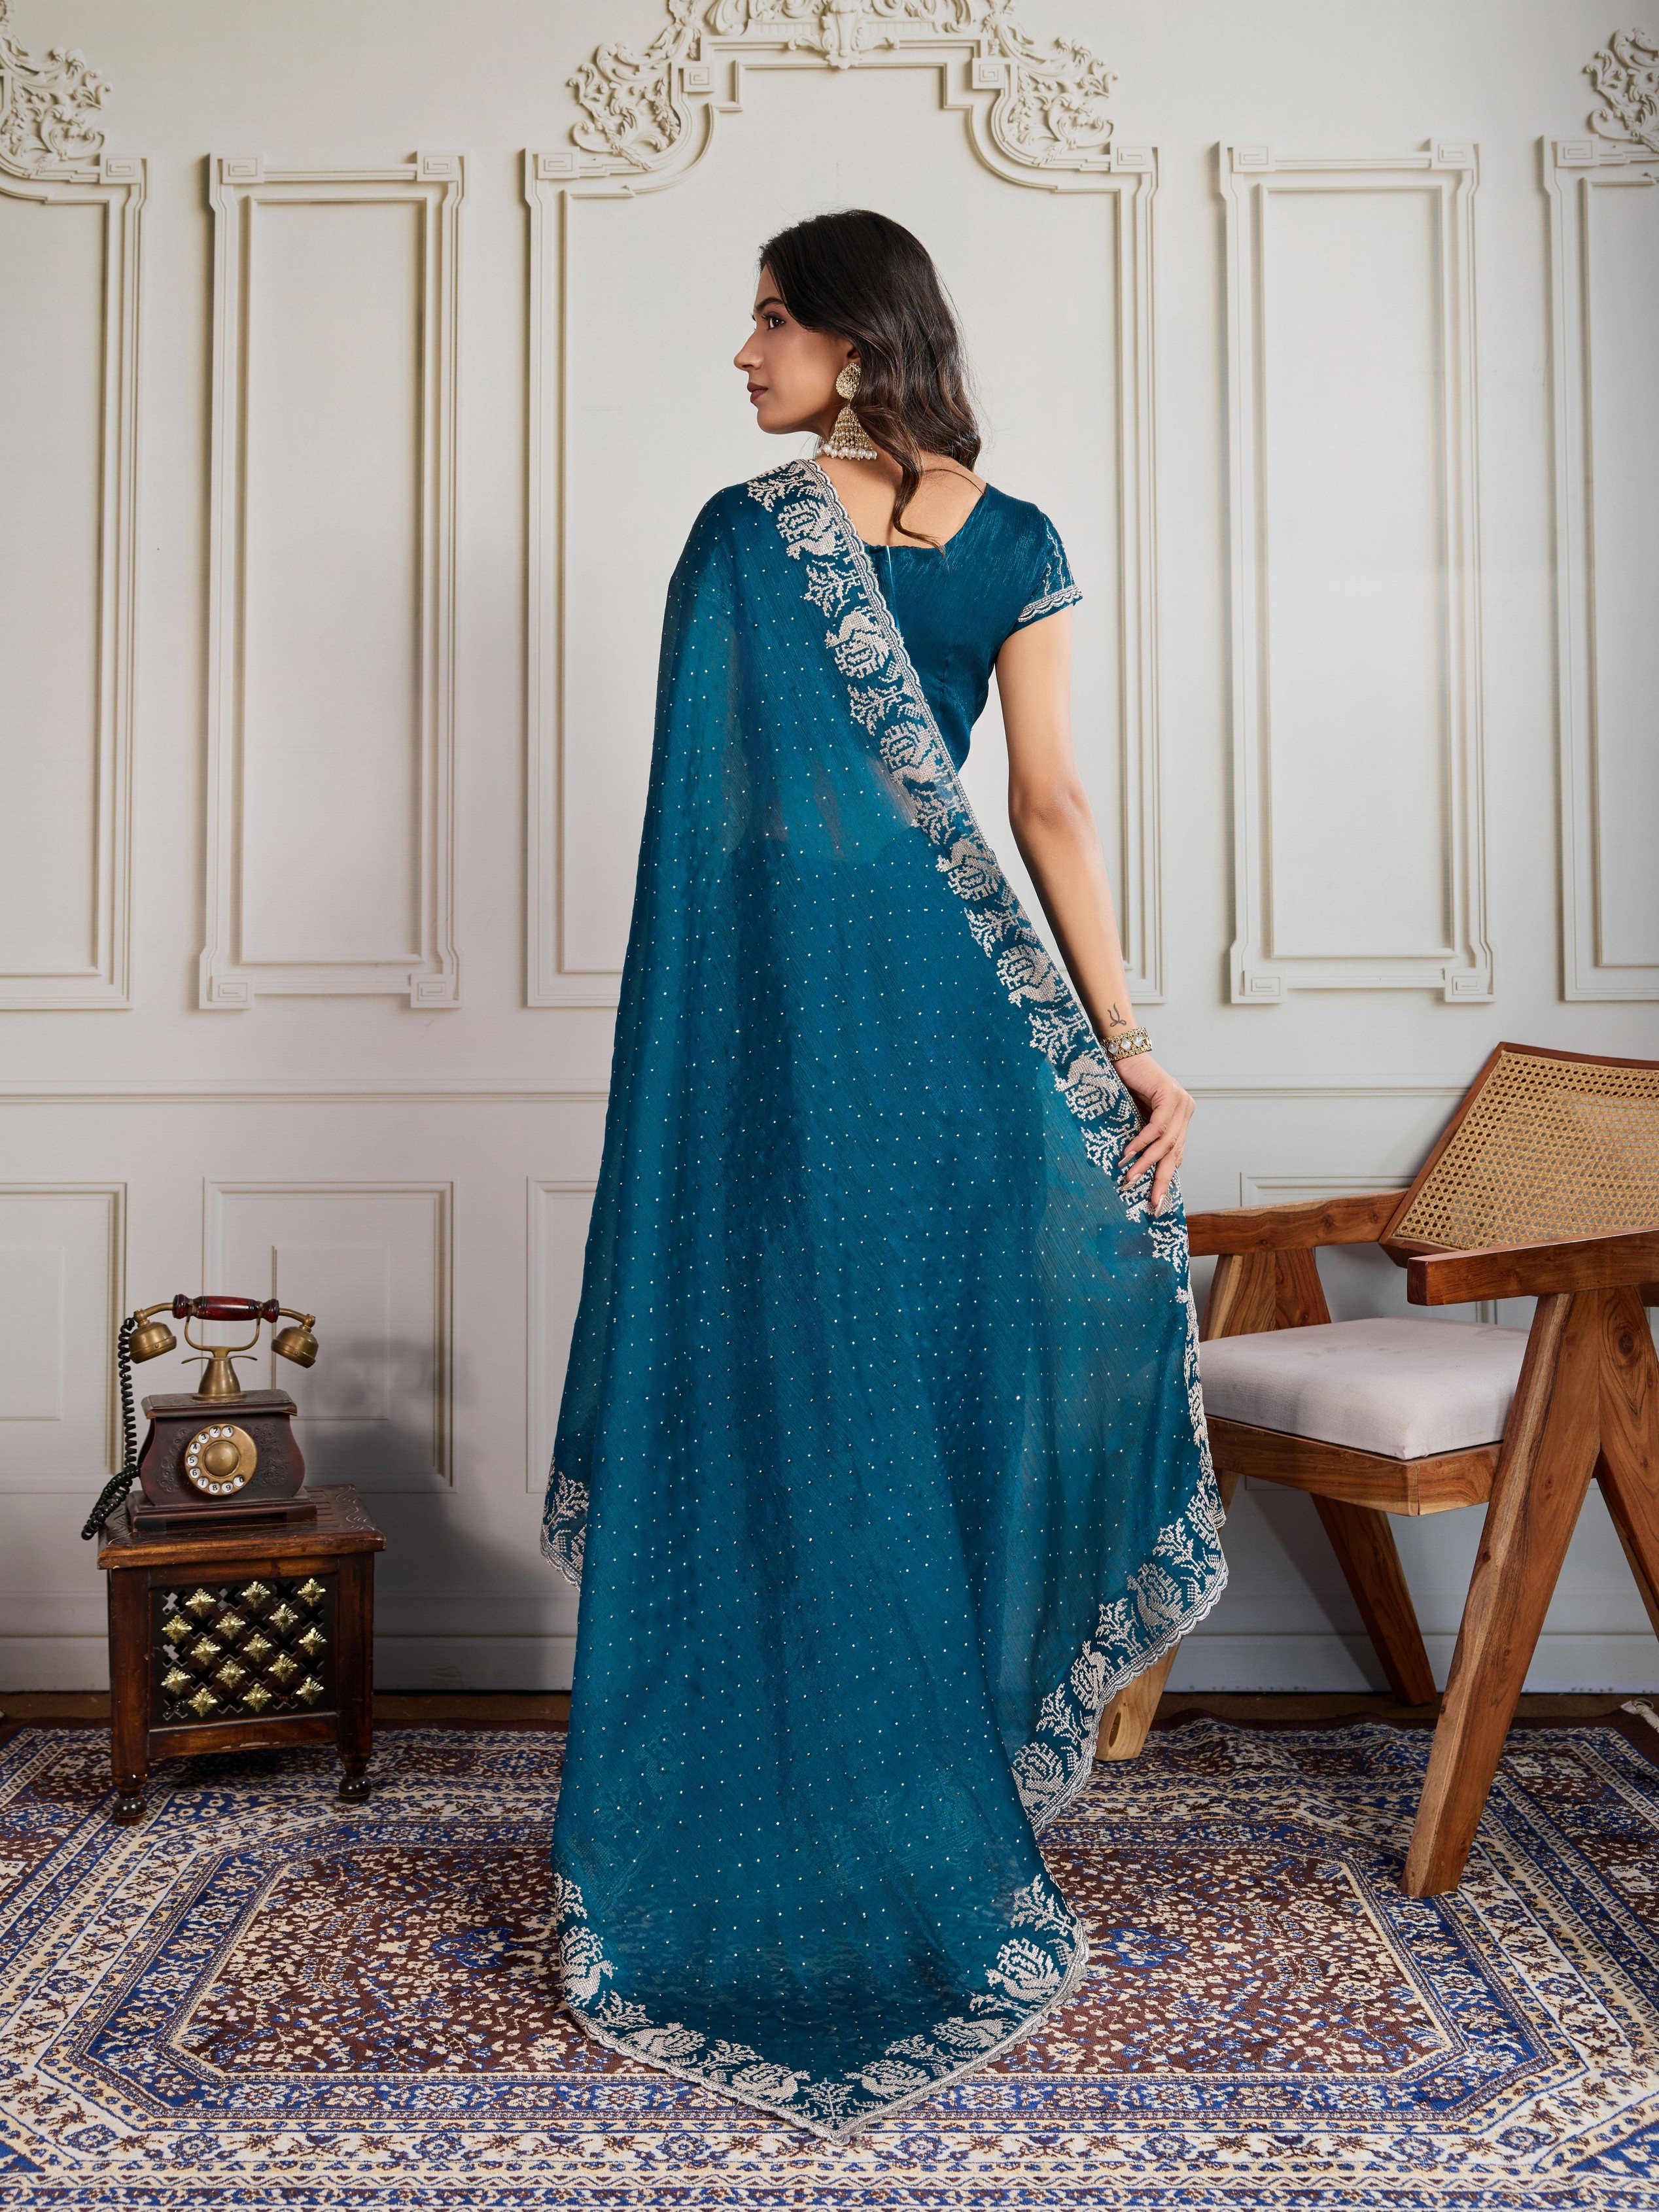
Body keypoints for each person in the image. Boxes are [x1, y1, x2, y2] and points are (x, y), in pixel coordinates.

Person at [542, 209, 1224, 2141]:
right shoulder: (1014, 540)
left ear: (856, 342)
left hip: (791, 1032)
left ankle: (834, 1813)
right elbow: (1049, 808)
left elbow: (719, 839)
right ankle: (881, 1808)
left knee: (799, 1397)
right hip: (945, 1022)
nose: (743, 353)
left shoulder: (747, 539)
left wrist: (1123, 1048)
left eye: (772, 319)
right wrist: (1120, 1036)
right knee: (897, 1395)